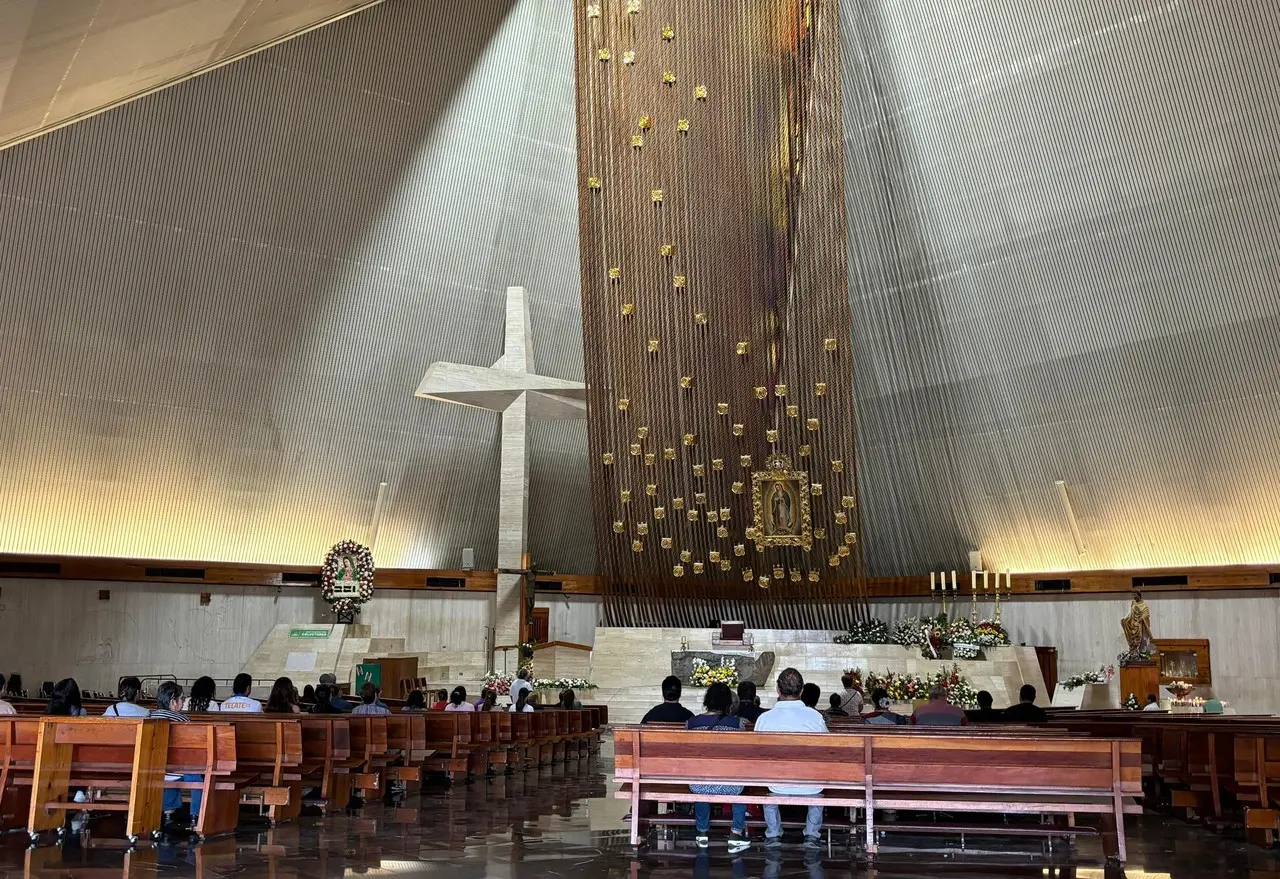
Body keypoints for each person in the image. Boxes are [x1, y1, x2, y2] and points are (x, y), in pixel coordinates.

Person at [754, 668, 827, 849]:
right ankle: (811, 834)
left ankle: (773, 833)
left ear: (778, 690)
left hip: (776, 782)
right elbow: (827, 750)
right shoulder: (815, 717)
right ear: (801, 691)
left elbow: (756, 753)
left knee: (767, 778)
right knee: (818, 775)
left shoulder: (764, 719)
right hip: (811, 784)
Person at [685, 682, 751, 853]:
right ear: (728, 702)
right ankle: (736, 833)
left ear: (707, 700)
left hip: (699, 784)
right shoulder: (737, 725)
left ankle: (702, 832)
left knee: (699, 777)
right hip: (732, 785)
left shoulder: (691, 723)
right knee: (740, 778)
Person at [149, 681, 203, 826]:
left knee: (171, 773)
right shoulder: (182, 719)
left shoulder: (149, 717)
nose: (183, 702)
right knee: (195, 776)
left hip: (153, 767)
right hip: (178, 768)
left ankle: (168, 812)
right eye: (182, 699)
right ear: (173, 702)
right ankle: (196, 816)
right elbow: (193, 747)